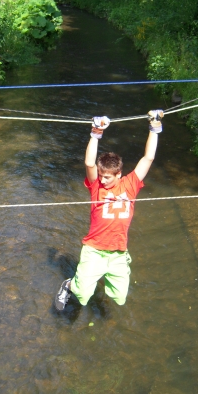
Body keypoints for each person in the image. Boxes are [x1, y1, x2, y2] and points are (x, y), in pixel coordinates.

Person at [55, 110, 163, 311]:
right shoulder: (96, 186)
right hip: (94, 250)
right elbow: (89, 163)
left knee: (120, 297)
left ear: (119, 174)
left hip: (118, 252)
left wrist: (154, 128)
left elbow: (148, 158)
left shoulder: (130, 184)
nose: (102, 180)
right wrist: (96, 133)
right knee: (83, 295)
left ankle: (97, 275)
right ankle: (69, 285)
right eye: (101, 175)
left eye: (107, 177)